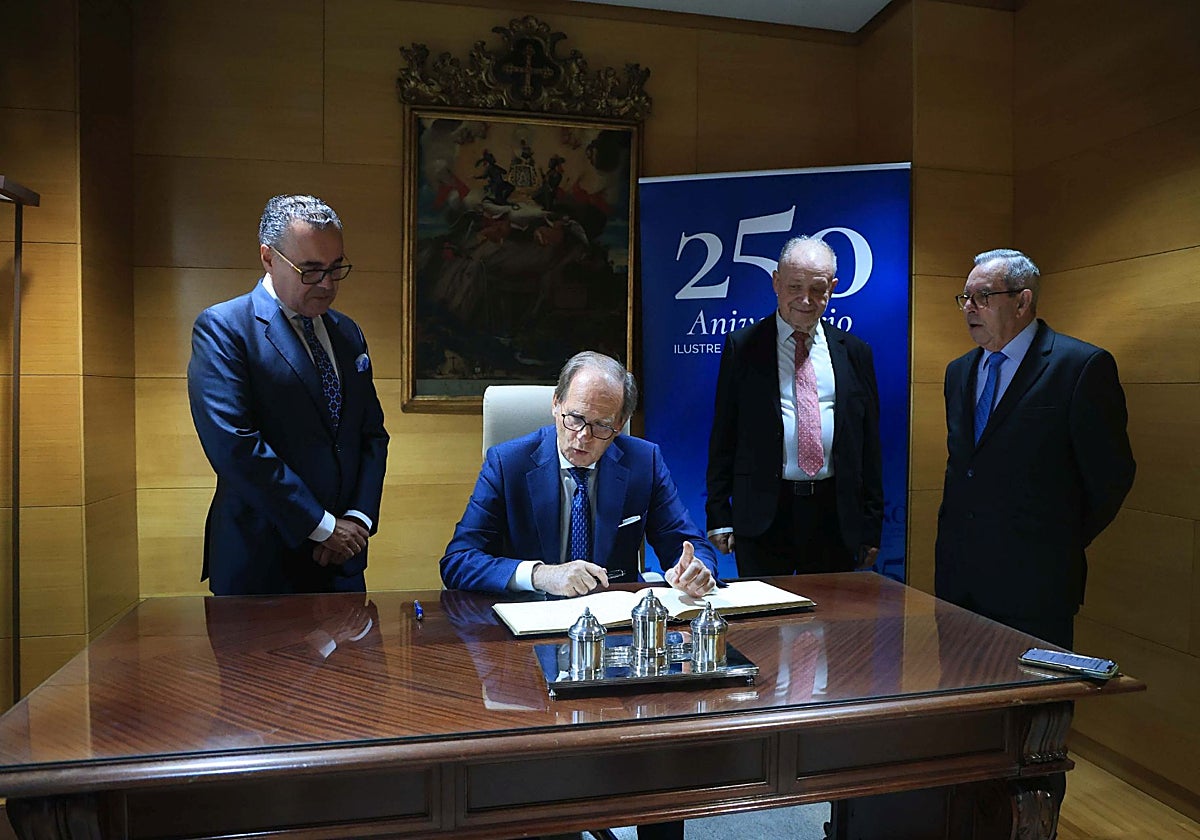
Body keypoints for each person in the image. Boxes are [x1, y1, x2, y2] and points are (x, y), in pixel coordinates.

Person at [188, 194, 389, 596]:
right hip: (262, 563)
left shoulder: (347, 332)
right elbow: (236, 447)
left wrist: (357, 519)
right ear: (268, 258)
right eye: (311, 270)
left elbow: (371, 435)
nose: (328, 285)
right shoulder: (225, 328)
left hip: (342, 561)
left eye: (336, 268)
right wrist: (322, 526)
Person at [935, 249, 1135, 649]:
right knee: (964, 705)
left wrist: (1054, 539)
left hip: (1035, 587)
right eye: (966, 298)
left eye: (983, 296)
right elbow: (967, 468)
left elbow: (1111, 477)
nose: (970, 308)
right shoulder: (959, 372)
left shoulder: (1080, 367)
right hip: (959, 584)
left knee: (1036, 706)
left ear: (1023, 301)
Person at [441, 351, 718, 601]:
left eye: (601, 425)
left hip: (614, 627)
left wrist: (695, 571)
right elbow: (458, 561)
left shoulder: (644, 462)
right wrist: (541, 575)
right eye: (574, 418)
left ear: (619, 425)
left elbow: (687, 543)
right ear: (555, 404)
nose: (583, 437)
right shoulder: (507, 464)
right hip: (529, 623)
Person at [706, 236, 884, 576]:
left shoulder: (856, 352)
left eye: (818, 289)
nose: (806, 300)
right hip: (763, 516)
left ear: (832, 288)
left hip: (834, 516)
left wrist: (871, 525)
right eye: (795, 287)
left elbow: (869, 446)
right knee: (765, 622)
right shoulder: (742, 348)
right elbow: (723, 435)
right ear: (776, 282)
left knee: (834, 622)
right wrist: (718, 513)